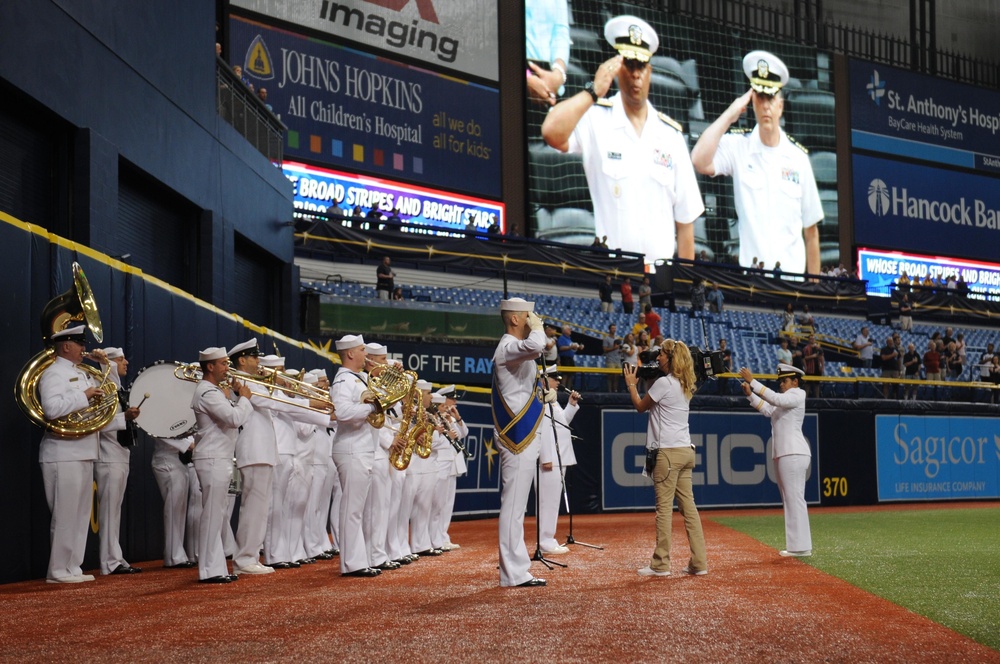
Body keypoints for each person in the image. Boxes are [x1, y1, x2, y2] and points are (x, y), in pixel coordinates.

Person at [540, 15, 705, 262]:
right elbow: (551, 132)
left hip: (660, 277)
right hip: (614, 272)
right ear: (617, 68)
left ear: (649, 70)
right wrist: (593, 91)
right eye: (629, 64)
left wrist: (686, 289)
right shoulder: (595, 118)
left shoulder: (671, 136)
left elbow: (685, 223)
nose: (636, 74)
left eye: (641, 66)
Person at [691, 50, 823, 275]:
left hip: (792, 284)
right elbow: (699, 160)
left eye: (770, 98)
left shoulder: (798, 160)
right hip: (752, 280)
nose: (766, 106)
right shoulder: (739, 147)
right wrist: (730, 114)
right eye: (760, 97)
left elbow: (811, 232)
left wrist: (814, 289)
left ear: (780, 105)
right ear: (752, 102)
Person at [623, 340, 708, 576]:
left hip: (667, 454)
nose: (658, 357)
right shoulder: (686, 383)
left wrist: (631, 385)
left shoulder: (664, 383)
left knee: (663, 510)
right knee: (689, 508)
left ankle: (661, 564)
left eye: (661, 354)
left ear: (670, 358)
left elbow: (641, 406)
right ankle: (699, 562)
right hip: (685, 451)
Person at [38, 326, 112, 583]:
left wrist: (105, 367)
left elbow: (108, 395)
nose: (84, 348)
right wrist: (84, 395)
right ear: (66, 346)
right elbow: (51, 408)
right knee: (66, 514)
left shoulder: (82, 373)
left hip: (83, 449)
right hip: (63, 451)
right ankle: (58, 570)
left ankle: (73, 567)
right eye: (79, 344)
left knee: (80, 515)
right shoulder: (53, 373)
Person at [492, 297, 548, 587]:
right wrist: (538, 329)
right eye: (528, 315)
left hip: (524, 435)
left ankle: (517, 569)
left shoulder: (514, 351)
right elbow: (538, 346)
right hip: (516, 437)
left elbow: (521, 389)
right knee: (513, 507)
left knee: (517, 507)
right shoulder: (508, 347)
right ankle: (512, 572)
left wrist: (542, 396)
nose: (532, 319)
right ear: (515, 319)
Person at [191, 346, 254, 583]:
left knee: (217, 514)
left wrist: (235, 398)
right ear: (210, 366)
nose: (228, 368)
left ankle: (216, 567)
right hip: (212, 458)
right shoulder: (208, 393)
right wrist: (244, 399)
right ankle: (209, 569)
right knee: (212, 515)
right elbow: (234, 418)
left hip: (218, 457)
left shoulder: (214, 391)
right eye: (223, 364)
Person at [740, 364, 812, 556]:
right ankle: (797, 546)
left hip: (793, 452)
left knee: (794, 498)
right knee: (790, 499)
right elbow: (768, 409)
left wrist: (752, 381)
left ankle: (801, 547)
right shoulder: (786, 400)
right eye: (780, 381)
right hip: (785, 453)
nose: (781, 384)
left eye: (785, 381)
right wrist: (750, 394)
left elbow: (775, 399)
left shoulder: (797, 394)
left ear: (795, 381)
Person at [329, 334, 382, 577]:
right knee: (351, 509)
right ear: (350, 354)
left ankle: (357, 561)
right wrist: (372, 407)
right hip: (351, 448)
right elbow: (341, 411)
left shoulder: (356, 378)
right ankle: (352, 564)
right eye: (362, 350)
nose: (366, 355)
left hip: (359, 447)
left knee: (356, 509)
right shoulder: (343, 380)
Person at [93, 347, 142, 576]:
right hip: (108, 456)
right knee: (109, 512)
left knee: (115, 512)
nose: (126, 363)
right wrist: (125, 417)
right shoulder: (103, 388)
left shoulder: (118, 389)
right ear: (109, 363)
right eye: (120, 359)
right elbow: (100, 423)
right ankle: (109, 562)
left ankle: (115, 557)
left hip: (120, 455)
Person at [536, 365, 580, 555]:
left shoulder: (551, 401)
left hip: (559, 457)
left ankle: (549, 538)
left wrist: (571, 404)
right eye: (554, 378)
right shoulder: (541, 401)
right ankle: (545, 540)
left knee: (553, 501)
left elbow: (562, 424)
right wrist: (545, 457)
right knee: (547, 501)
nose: (558, 382)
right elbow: (542, 431)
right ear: (544, 380)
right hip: (550, 458)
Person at [525, 0, 570, 106]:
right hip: (512, 81)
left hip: (550, 84)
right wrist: (527, 77)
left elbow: (561, 31)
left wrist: (558, 74)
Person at [557, 324, 581, 390]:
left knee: (570, 374)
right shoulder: (562, 338)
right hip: (565, 358)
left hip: (570, 358)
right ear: (564, 331)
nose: (570, 330)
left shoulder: (569, 339)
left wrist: (578, 347)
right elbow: (561, 348)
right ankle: (563, 389)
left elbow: (572, 348)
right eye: (568, 329)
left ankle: (568, 389)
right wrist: (571, 347)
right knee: (565, 374)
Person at [603, 323, 623, 392]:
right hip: (610, 359)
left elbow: (619, 349)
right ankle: (610, 390)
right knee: (610, 376)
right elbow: (605, 349)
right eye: (612, 328)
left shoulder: (617, 338)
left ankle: (615, 389)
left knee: (617, 376)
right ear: (609, 329)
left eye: (615, 328)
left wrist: (620, 350)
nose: (614, 330)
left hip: (617, 359)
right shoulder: (606, 339)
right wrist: (614, 348)